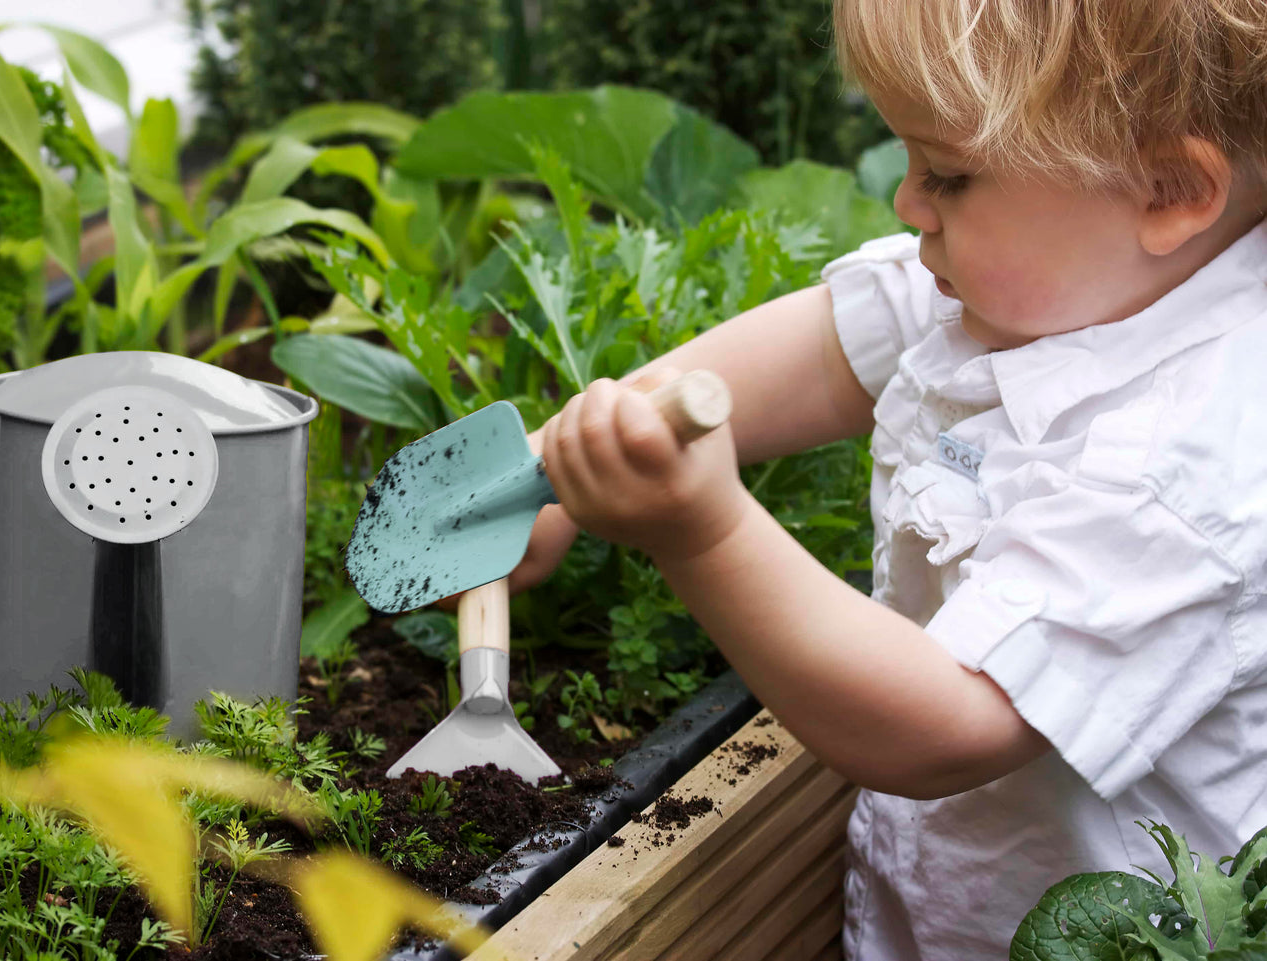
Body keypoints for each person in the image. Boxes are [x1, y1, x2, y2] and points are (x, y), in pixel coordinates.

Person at [506, 1, 1267, 957]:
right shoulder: (1049, 280)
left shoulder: (1194, 462)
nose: (908, 206)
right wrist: (556, 464)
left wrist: (698, 531)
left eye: (947, 173)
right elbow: (825, 353)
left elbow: (943, 725)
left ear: (1166, 189)